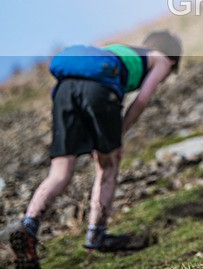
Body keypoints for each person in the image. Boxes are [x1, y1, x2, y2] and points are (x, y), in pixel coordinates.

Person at [10, 31, 182, 268]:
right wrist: (116, 134)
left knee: (59, 173)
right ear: (173, 59)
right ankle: (97, 235)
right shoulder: (161, 60)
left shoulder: (118, 50)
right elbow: (142, 100)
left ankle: (29, 226)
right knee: (108, 164)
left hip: (65, 90)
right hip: (100, 91)